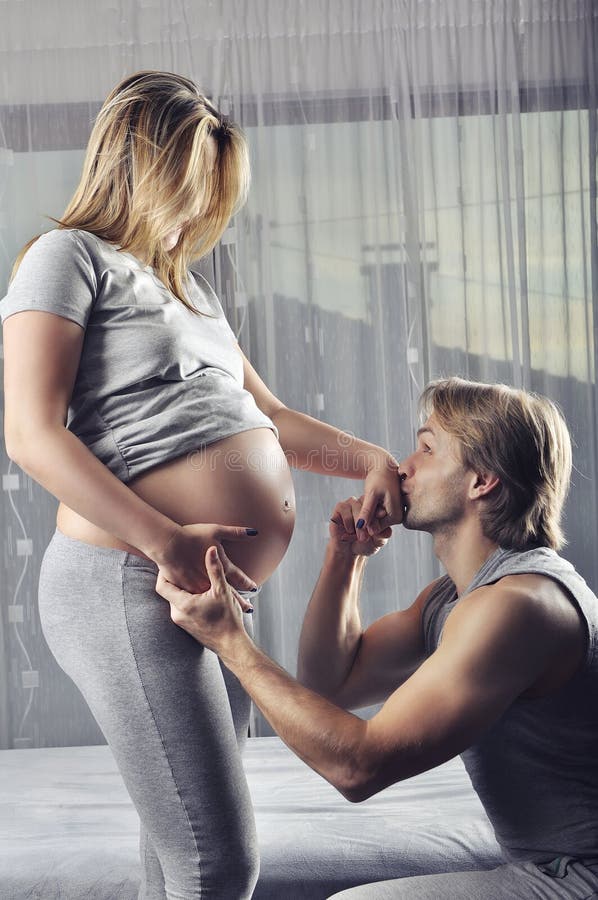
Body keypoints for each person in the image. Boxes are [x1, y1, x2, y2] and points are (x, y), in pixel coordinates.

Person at [0, 70, 403, 900]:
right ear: (136, 165)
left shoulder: (190, 287)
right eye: (190, 188)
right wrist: (166, 540)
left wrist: (369, 459)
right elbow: (31, 433)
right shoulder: (67, 258)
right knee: (216, 860)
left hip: (204, 584)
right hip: (128, 577)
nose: (197, 214)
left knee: (179, 851)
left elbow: (272, 417)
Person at [156, 376, 598, 900]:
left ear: (482, 481)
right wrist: (345, 560)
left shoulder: (515, 607)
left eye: (427, 449)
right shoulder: (455, 599)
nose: (401, 467)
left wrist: (231, 642)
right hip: (551, 863)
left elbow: (356, 767)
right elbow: (330, 685)